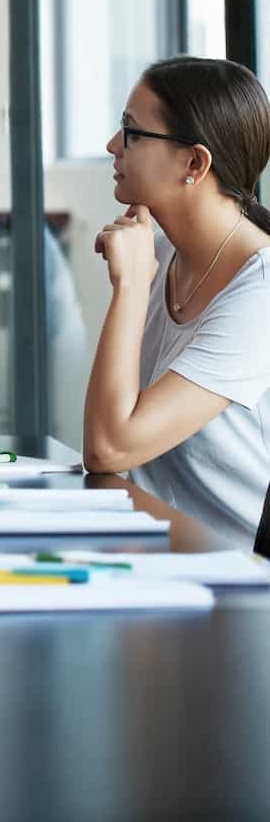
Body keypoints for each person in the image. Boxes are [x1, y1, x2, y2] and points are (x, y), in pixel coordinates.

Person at [84, 56, 270, 545]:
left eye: (132, 132)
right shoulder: (161, 252)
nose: (112, 146)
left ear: (194, 162)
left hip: (239, 586)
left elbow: (108, 448)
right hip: (154, 555)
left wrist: (129, 286)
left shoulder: (261, 291)